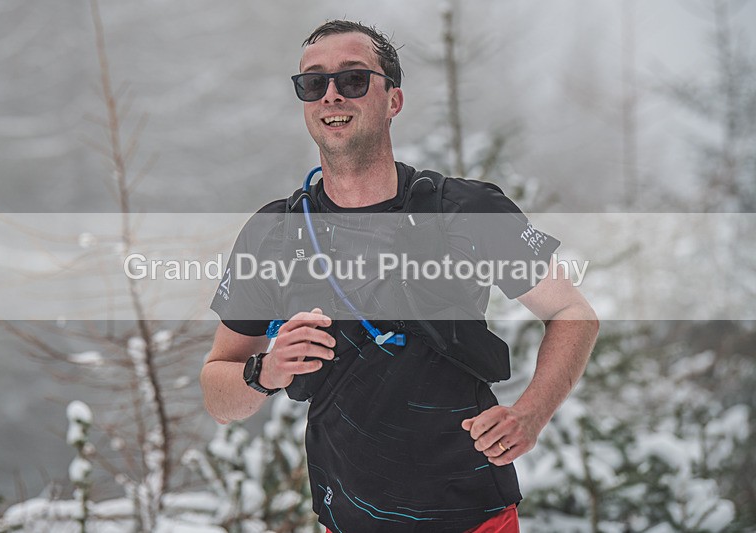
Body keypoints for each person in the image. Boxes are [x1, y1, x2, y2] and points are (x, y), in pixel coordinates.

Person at [202, 20, 599, 532]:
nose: (330, 95)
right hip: (344, 521)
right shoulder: (275, 233)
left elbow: (573, 313)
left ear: (393, 100)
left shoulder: (464, 211)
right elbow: (218, 392)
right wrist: (266, 372)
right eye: (312, 82)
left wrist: (533, 413)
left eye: (352, 79)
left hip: (474, 519)